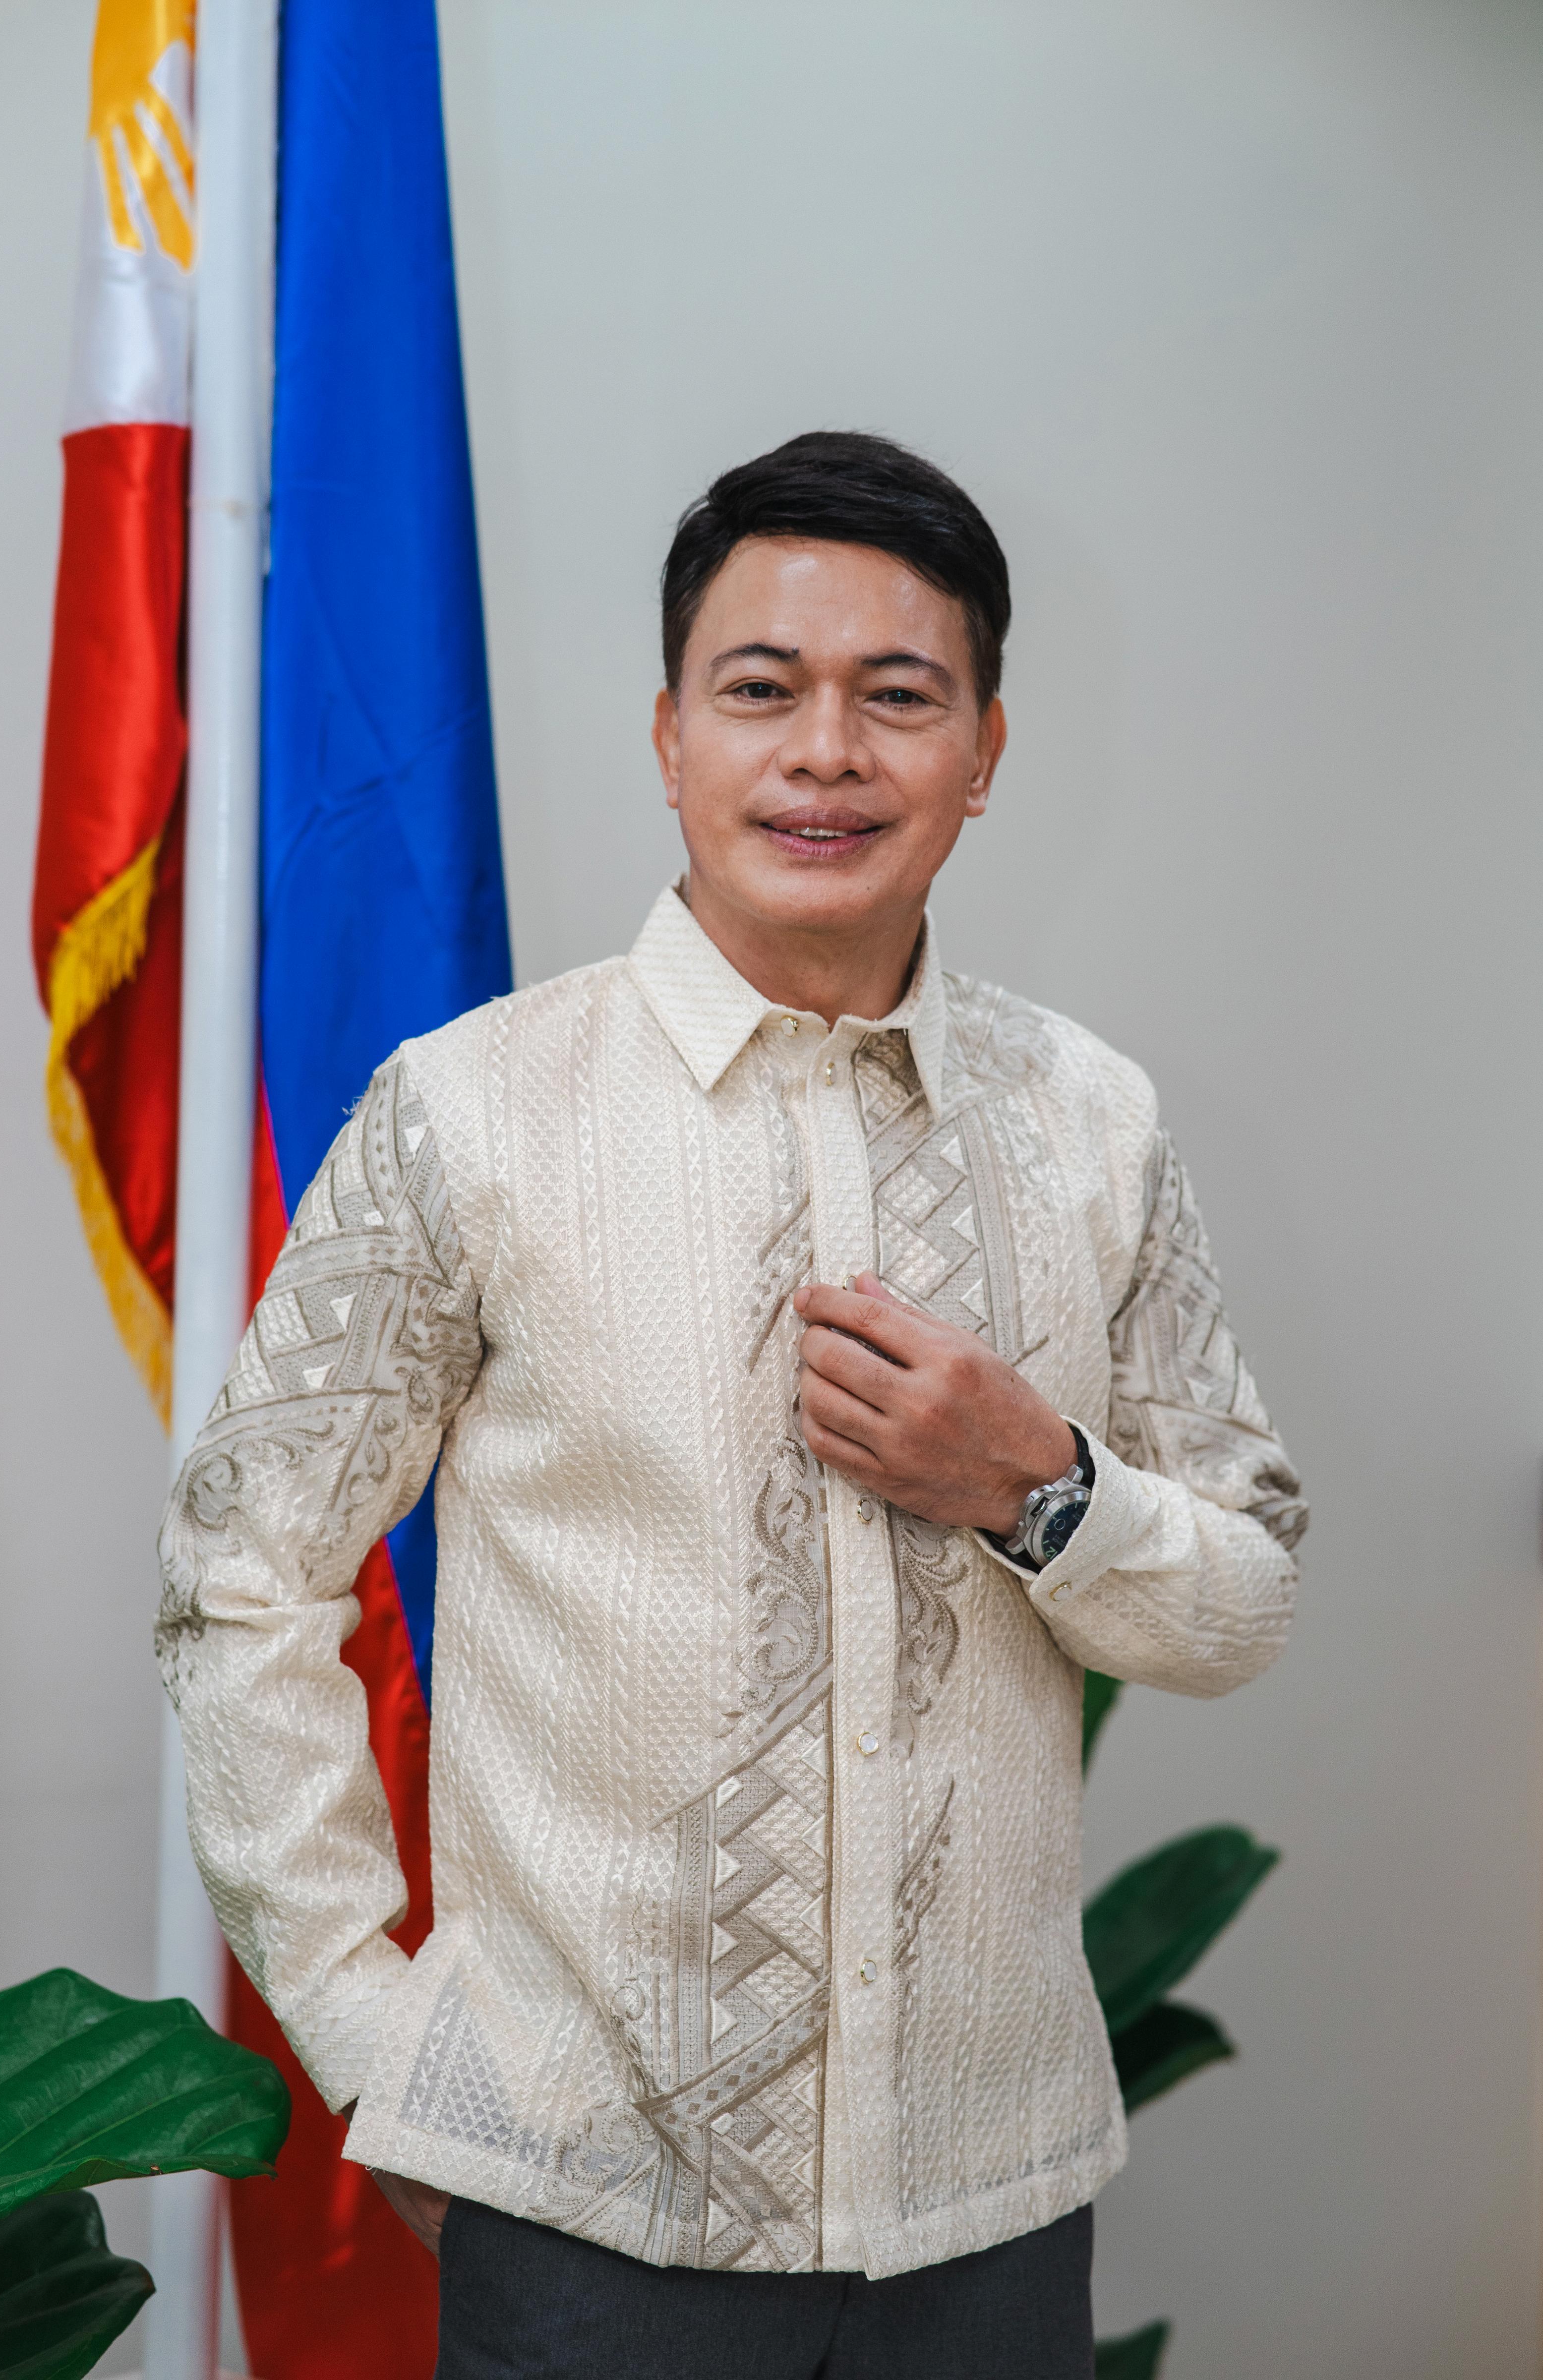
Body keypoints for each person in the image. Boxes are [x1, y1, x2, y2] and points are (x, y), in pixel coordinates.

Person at [157, 430, 1306, 2379]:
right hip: (584, 2219)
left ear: (984, 752)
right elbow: (236, 1578)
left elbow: (1242, 1599)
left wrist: (1037, 1485)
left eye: (899, 697)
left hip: (990, 2217)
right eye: (761, 689)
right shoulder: (472, 1114)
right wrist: (376, 2040)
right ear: (670, 735)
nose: (824, 753)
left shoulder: (1090, 1124)